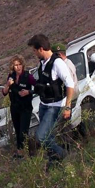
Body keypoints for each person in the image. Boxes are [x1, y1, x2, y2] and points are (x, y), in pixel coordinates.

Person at [27, 34, 74, 170]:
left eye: (35, 51)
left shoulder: (57, 63)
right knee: (49, 136)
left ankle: (62, 154)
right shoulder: (42, 64)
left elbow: (69, 84)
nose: (34, 53)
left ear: (41, 49)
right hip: (44, 105)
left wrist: (68, 106)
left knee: (41, 137)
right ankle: (55, 163)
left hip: (55, 106)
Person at [2, 55, 36, 158]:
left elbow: (38, 87)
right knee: (17, 130)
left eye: (20, 64)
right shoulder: (11, 76)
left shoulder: (27, 76)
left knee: (23, 131)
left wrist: (28, 92)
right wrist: (8, 84)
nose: (18, 67)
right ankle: (21, 151)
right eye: (16, 65)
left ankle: (24, 151)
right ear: (13, 66)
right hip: (15, 107)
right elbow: (4, 93)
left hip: (25, 107)